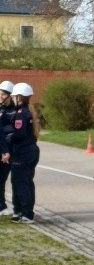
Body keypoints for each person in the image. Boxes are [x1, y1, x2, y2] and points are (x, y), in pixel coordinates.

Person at [3, 83, 41, 224]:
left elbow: (18, 134)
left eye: (14, 96)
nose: (12, 98)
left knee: (21, 184)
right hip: (29, 151)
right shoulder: (26, 111)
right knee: (23, 183)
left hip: (22, 153)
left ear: (19, 97)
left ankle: (26, 213)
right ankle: (19, 211)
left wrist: (7, 137)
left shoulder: (21, 114)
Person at [0, 80, 14, 215]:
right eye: (0, 93)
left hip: (8, 149)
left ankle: (2, 206)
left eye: (4, 94)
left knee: (2, 178)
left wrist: (6, 151)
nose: (1, 96)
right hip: (3, 148)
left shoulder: (13, 110)